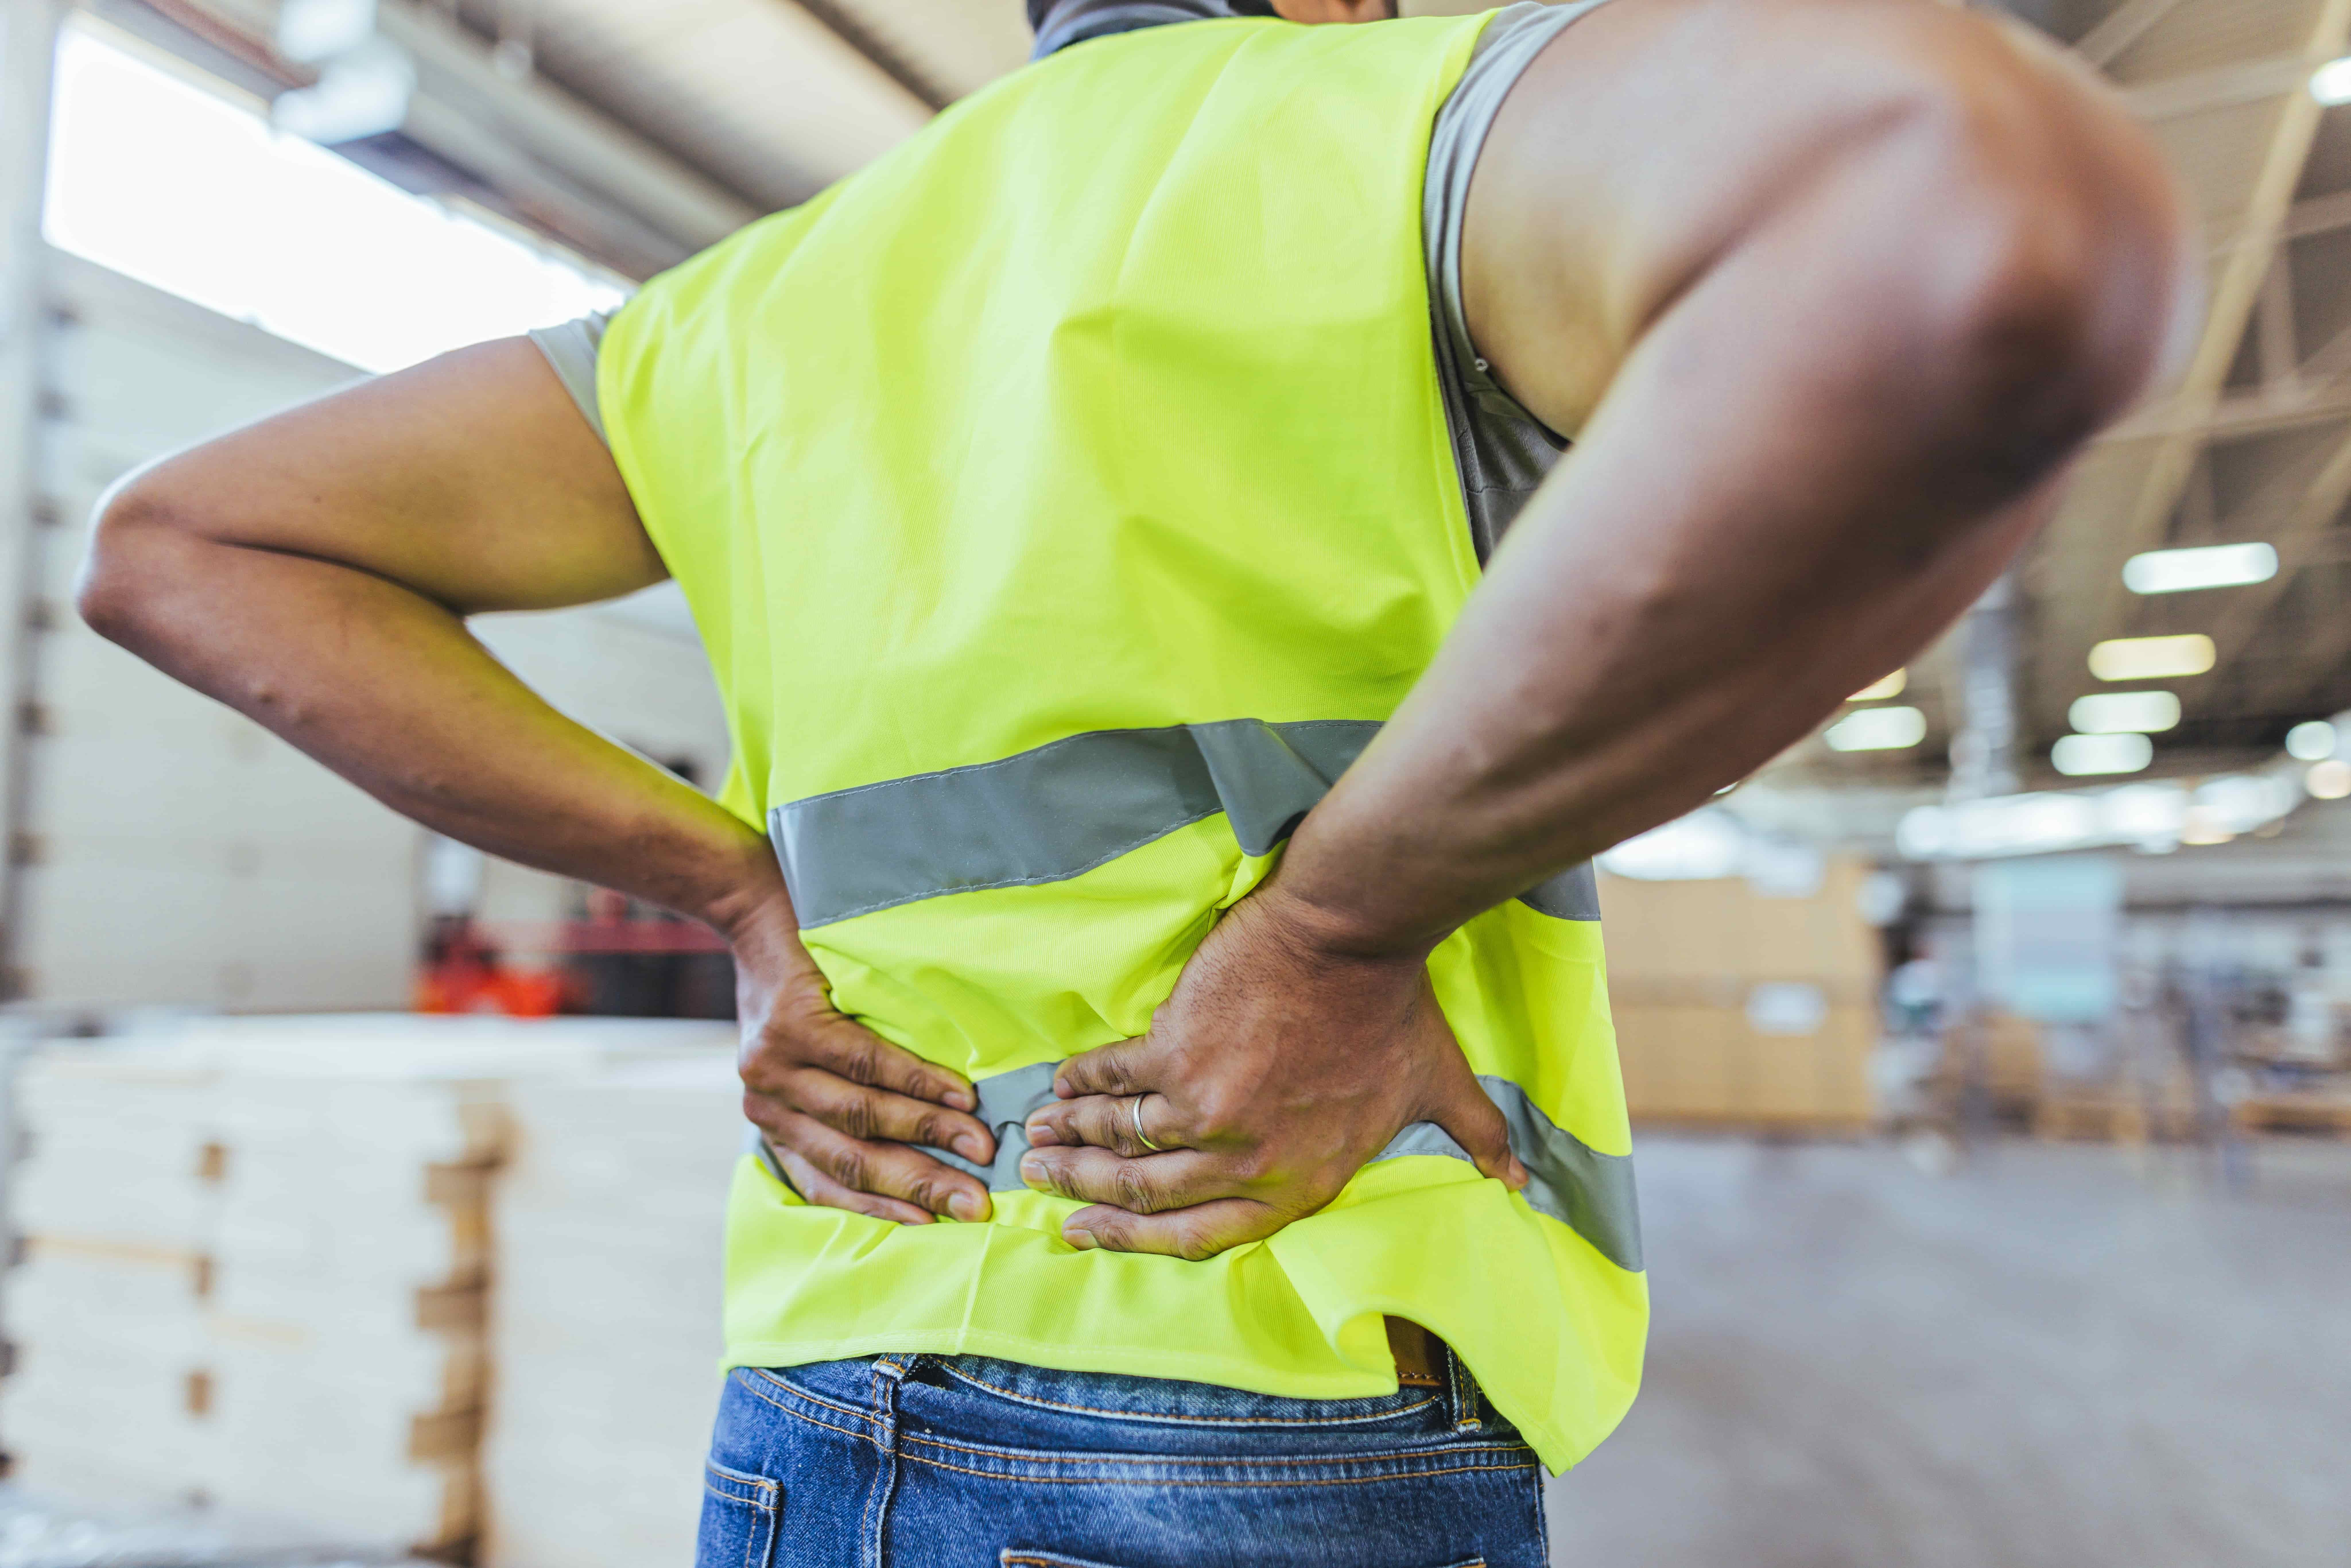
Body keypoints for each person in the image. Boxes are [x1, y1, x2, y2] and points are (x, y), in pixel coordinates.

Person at [78, 0, 2189, 1560]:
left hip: (814, 1403)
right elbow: (1978, 217)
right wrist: (1343, 926)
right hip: (1269, 1388)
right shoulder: (1406, 130)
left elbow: (181, 545)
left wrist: (732, 886)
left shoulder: (760, 310)